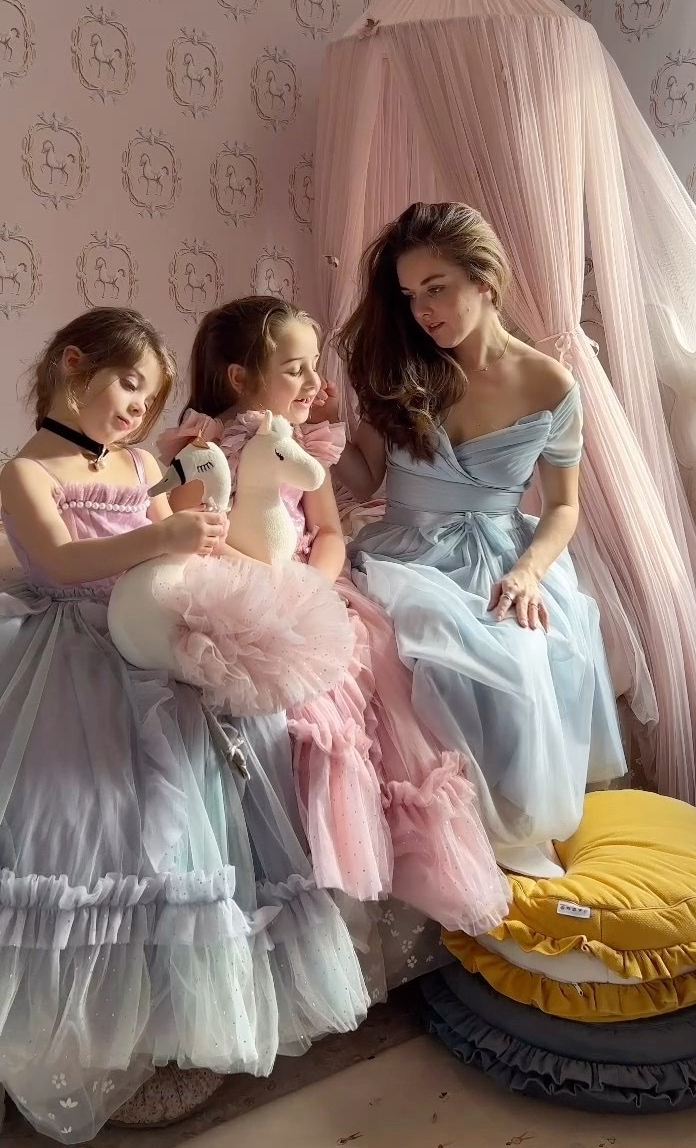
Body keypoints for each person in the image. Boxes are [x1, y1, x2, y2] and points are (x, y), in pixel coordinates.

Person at [0, 308, 367, 1143]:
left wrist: (239, 558)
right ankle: (101, 1031)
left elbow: (190, 543)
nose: (139, 407)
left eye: (151, 395)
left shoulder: (139, 462)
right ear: (73, 365)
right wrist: (159, 534)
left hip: (157, 636)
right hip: (78, 645)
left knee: (207, 802)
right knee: (92, 818)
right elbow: (59, 560)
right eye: (129, 384)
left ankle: (180, 1020)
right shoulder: (26, 471)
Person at [159, 295, 509, 935]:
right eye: (296, 370)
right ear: (239, 378)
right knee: (283, 699)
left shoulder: (305, 445)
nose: (316, 384)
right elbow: (195, 534)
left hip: (309, 585)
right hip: (233, 584)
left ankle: (377, 852)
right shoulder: (201, 448)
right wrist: (264, 580)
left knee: (369, 675)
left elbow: (328, 532)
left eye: (314, 366)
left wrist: (314, 584)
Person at [324, 201, 627, 878]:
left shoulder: (549, 383)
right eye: (410, 295)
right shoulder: (398, 368)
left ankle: (512, 838)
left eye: (436, 289)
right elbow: (366, 478)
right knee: (430, 637)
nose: (422, 311)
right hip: (407, 550)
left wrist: (528, 571)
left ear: (484, 279)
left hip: (504, 554)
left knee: (526, 652)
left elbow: (564, 507)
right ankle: (446, 844)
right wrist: (325, 432)